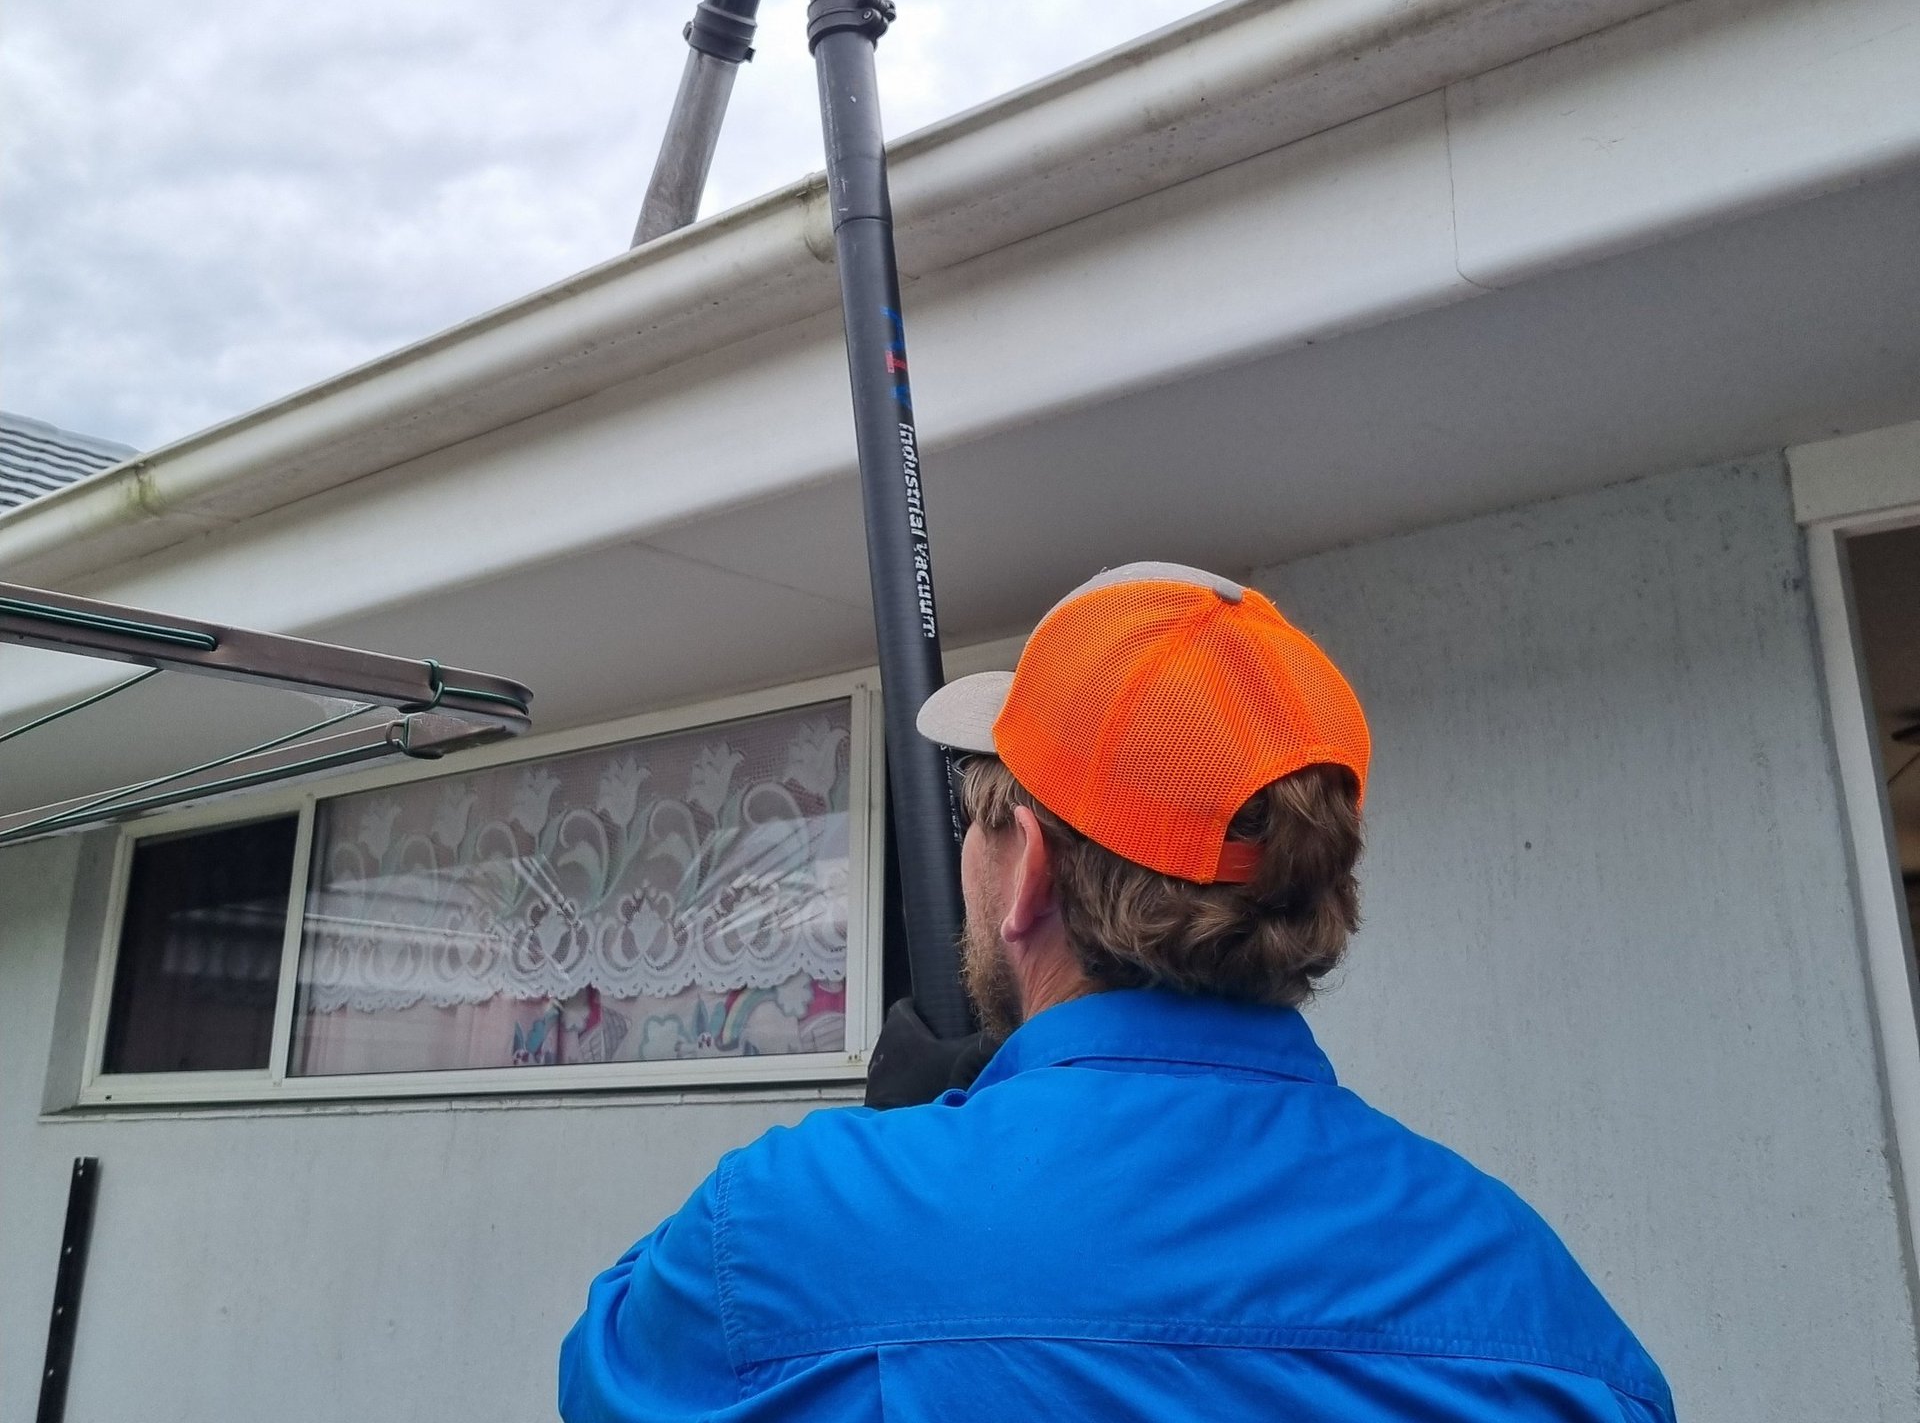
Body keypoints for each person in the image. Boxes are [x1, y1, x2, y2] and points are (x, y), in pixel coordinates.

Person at [560, 563, 1674, 1421]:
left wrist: (892, 1173)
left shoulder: (785, 1225)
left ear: (1028, 867)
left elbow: (606, 1371)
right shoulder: (1536, 1308)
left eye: (980, 825)